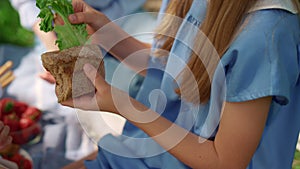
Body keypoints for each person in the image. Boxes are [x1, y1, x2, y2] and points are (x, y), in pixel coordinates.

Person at [62, 0, 300, 169]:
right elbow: (176, 70)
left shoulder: (266, 36)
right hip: (155, 152)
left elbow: (224, 161)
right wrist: (106, 34)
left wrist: (122, 104)